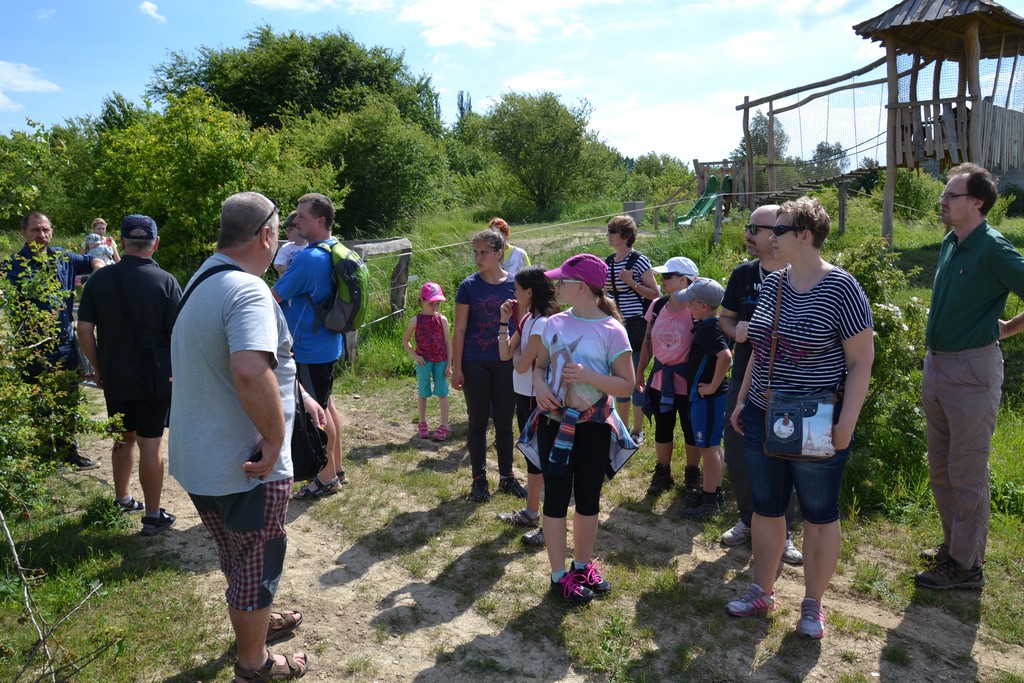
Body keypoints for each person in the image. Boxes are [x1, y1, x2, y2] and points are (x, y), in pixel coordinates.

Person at [170, 191, 319, 681]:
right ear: (267, 235)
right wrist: (275, 439)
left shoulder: (202, 280)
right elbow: (250, 369)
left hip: (201, 457)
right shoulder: (248, 289)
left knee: (239, 555)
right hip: (247, 464)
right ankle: (254, 663)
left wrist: (300, 395)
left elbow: (246, 361)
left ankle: (257, 620)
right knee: (258, 558)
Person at [727, 197, 873, 640]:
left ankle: (813, 605)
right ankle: (762, 590)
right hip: (762, 412)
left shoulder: (842, 288)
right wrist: (743, 400)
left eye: (780, 230)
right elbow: (761, 348)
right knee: (767, 508)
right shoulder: (773, 283)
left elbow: (861, 362)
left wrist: (846, 424)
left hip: (815, 418)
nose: (770, 237)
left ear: (804, 236)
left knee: (818, 514)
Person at [917, 163, 1024, 590]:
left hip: (972, 371)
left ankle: (966, 567)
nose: (942, 200)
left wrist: (1009, 328)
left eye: (952, 195)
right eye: (944, 194)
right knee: (941, 467)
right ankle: (954, 547)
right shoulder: (952, 241)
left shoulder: (994, 248)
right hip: (938, 366)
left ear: (977, 202)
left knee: (966, 471)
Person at [525, 254, 635, 605]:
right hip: (554, 425)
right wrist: (539, 387)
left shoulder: (612, 330)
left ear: (582, 287)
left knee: (588, 498)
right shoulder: (553, 323)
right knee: (556, 498)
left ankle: (582, 566)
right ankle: (559, 576)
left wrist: (590, 376)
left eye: (563, 281)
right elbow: (539, 368)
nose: (556, 286)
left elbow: (627, 385)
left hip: (594, 427)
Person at [77, 215, 182, 535]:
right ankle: (152, 516)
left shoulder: (99, 280)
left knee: (123, 438)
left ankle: (122, 498)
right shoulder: (166, 281)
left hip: (115, 373)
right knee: (151, 444)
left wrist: (98, 367)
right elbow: (178, 335)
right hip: (155, 376)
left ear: (121, 242)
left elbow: (84, 329)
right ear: (155, 243)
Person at [719, 205, 803, 566]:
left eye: (756, 228)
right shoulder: (743, 274)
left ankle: (782, 533)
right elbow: (725, 318)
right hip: (744, 377)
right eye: (748, 227)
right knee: (738, 453)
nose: (748, 235)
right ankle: (747, 519)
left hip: (787, 383)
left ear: (778, 231)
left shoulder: (800, 276)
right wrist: (734, 330)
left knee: (785, 455)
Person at [4, 211, 103, 470]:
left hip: (63, 345)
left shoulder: (63, 258)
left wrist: (98, 268)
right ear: (23, 233)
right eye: (36, 230)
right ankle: (45, 457)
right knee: (38, 405)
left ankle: (69, 453)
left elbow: (93, 259)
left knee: (67, 402)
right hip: (32, 347)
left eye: (46, 229)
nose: (42, 234)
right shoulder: (13, 265)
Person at [272, 193, 348, 499]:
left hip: (307, 347)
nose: (296, 220)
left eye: (302, 216)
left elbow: (275, 296)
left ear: (321, 220)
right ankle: (336, 469)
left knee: (316, 413)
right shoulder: (335, 248)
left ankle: (326, 478)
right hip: (327, 343)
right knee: (327, 405)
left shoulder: (307, 258)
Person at [451, 228, 526, 502]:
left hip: (506, 362)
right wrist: (456, 367)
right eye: (475, 252)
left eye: (484, 252)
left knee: (505, 422)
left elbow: (523, 325)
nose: (478, 258)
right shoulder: (468, 286)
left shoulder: (515, 284)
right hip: (474, 362)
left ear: (499, 253)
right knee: (477, 422)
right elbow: (459, 330)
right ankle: (479, 480)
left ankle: (507, 477)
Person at [496, 265, 558, 546]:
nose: (514, 293)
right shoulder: (526, 319)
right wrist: (503, 322)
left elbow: (520, 365)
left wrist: (516, 355)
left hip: (536, 399)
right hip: (524, 395)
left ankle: (547, 524)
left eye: (517, 289)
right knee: (533, 457)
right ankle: (531, 513)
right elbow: (505, 354)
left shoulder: (542, 323)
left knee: (543, 460)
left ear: (529, 292)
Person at [635, 257, 701, 501]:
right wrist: (640, 370)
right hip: (661, 379)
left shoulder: (698, 307)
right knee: (663, 427)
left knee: (690, 429)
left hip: (689, 381)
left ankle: (692, 473)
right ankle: (662, 473)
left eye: (667, 276)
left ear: (684, 280)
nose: (662, 280)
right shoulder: (658, 304)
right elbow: (648, 340)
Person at [676, 278, 731, 519]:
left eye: (691, 302)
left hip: (708, 398)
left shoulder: (709, 328)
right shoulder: (717, 325)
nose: (688, 306)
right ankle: (714, 492)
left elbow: (725, 357)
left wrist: (712, 386)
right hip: (712, 398)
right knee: (714, 446)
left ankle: (709, 501)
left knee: (707, 449)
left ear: (703, 306)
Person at [605, 214, 660, 444]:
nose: (608, 235)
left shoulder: (639, 261)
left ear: (626, 236)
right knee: (619, 378)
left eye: (612, 231)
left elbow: (655, 294)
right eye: (608, 230)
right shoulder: (608, 261)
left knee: (636, 378)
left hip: (637, 326)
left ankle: (638, 430)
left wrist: (631, 282)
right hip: (616, 327)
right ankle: (622, 427)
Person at [401, 282, 453, 441]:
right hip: (423, 362)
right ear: (422, 301)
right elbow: (405, 341)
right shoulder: (415, 320)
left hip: (441, 361)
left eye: (437, 303)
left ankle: (445, 425)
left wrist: (449, 364)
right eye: (431, 303)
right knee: (423, 392)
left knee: (442, 392)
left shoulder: (442, 319)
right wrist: (415, 356)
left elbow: (448, 342)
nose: (435, 306)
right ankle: (422, 422)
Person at [274, 211, 307, 276]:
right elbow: (280, 268)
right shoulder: (286, 248)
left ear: (300, 228)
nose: (287, 232)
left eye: (291, 229)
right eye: (286, 229)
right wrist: (298, 270)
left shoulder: (310, 246)